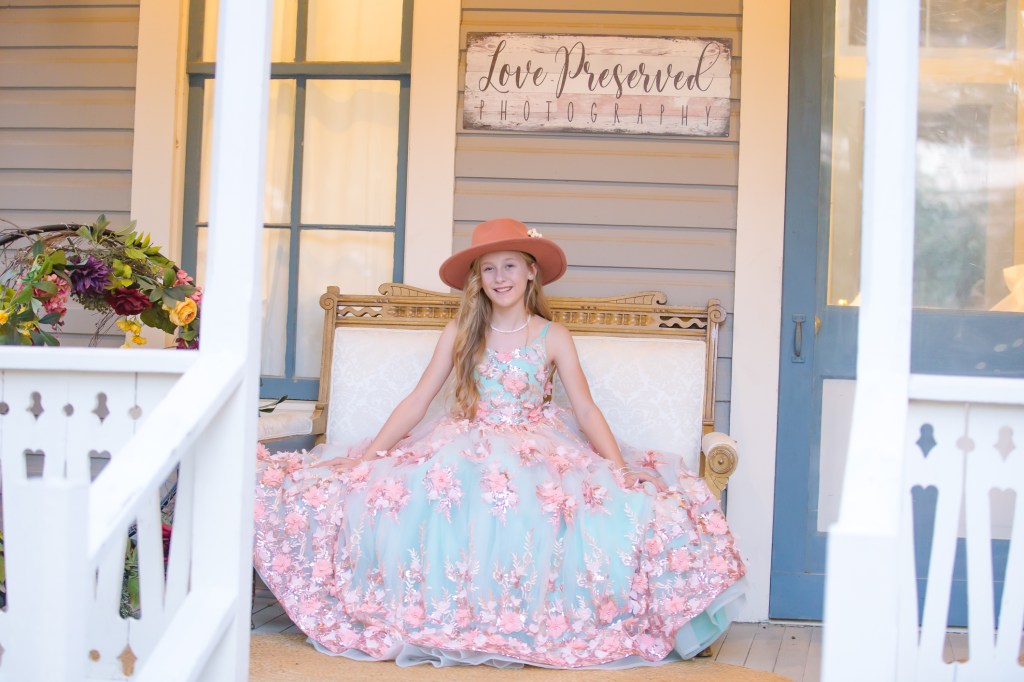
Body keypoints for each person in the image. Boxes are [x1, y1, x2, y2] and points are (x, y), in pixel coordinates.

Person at [253, 218, 746, 669]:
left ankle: (535, 619)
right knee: (415, 496)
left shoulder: (552, 335)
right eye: (488, 268)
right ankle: (444, 615)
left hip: (537, 448)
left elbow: (586, 410)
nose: (499, 277)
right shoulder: (461, 332)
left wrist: (618, 469)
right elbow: (417, 400)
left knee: (570, 507)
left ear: (531, 271)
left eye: (510, 265)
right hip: (465, 443)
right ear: (478, 279)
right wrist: (366, 458)